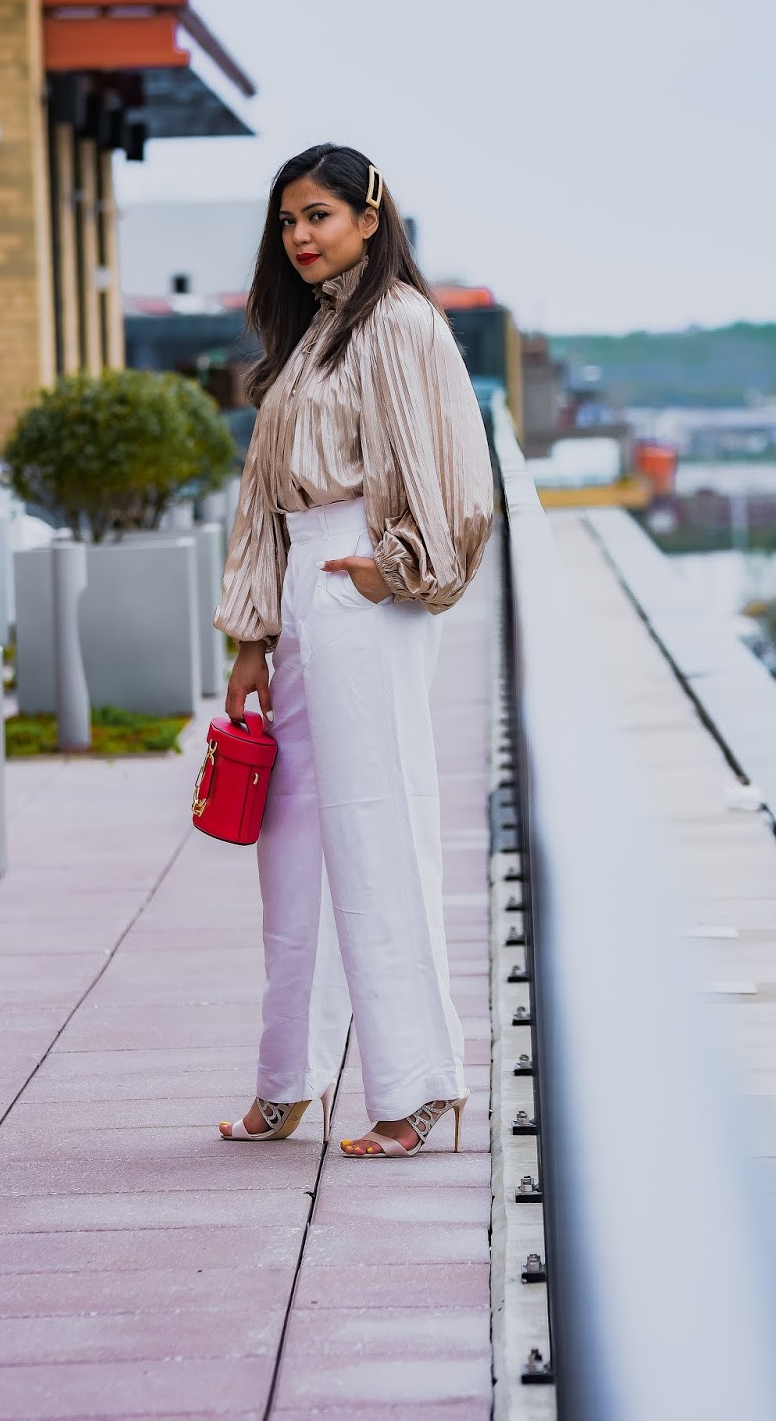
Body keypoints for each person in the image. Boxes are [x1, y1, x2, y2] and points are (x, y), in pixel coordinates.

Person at [213, 144, 494, 1158]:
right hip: (302, 597)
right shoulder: (311, 335)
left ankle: (416, 1086)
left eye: (319, 215)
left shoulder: (399, 324)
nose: (299, 236)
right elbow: (261, 499)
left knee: (378, 831)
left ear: (370, 217)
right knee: (288, 845)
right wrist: (251, 633)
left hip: (362, 586)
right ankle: (284, 1080)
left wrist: (401, 567)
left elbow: (455, 466)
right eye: (287, 220)